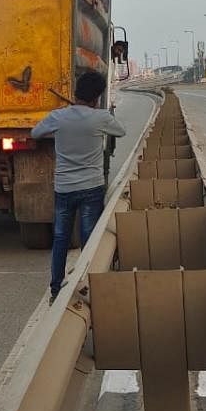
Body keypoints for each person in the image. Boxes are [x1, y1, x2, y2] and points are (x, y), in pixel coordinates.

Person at [30, 71, 126, 299]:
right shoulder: (100, 118)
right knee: (89, 240)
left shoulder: (58, 117)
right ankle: (89, 285)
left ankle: (55, 288)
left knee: (61, 238)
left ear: (76, 92)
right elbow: (121, 131)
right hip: (91, 188)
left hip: (64, 188)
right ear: (96, 97)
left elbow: (35, 133)